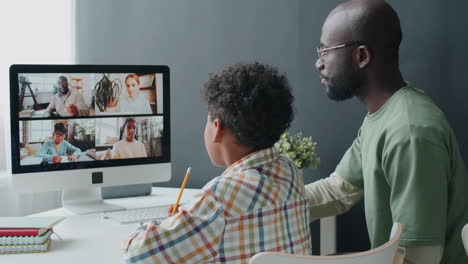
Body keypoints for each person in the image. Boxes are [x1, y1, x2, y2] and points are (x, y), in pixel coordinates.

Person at [306, 1, 468, 263]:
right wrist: (267, 201)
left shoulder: (410, 132)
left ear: (361, 56)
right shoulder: (382, 117)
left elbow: (419, 257)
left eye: (325, 51)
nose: (318, 63)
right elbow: (338, 190)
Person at [122, 62, 312, 263]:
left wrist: (166, 223)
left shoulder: (218, 199)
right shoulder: (290, 171)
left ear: (217, 128)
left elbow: (136, 256)